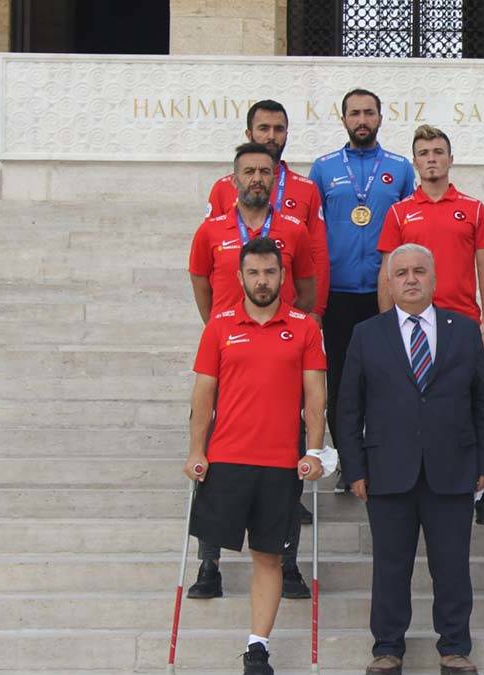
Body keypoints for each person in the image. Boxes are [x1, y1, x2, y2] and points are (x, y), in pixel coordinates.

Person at [336, 243, 484, 675]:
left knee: (452, 566)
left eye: (419, 271)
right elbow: (348, 408)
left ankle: (455, 647)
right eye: (401, 272)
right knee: (391, 567)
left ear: (435, 278)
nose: (411, 279)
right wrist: (354, 468)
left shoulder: (464, 331)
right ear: (388, 282)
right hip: (388, 471)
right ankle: (387, 648)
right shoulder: (367, 334)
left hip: (453, 468)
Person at [183, 236, 328, 675]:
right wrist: (195, 450)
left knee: (269, 556)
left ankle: (257, 647)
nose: (262, 280)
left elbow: (315, 395)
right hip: (226, 458)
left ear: (283, 276)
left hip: (280, 463)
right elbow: (204, 394)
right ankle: (209, 573)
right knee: (215, 542)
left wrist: (315, 450)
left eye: (270, 272)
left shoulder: (305, 327)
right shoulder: (220, 326)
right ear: (240, 276)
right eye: (254, 272)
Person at [186, 142, 317, 600]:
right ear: (234, 178)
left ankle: (289, 562)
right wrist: (217, 330)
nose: (257, 178)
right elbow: (200, 282)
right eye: (249, 171)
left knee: (289, 450)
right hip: (228, 349)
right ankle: (209, 564)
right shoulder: (211, 230)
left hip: (280, 347)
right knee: (213, 457)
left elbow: (306, 286)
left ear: (276, 176)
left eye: (265, 170)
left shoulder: (294, 229)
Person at [375, 123, 484, 527]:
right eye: (424, 153)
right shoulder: (398, 212)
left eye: (438, 151)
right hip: (412, 328)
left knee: (471, 406)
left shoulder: (474, 208)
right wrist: (385, 329)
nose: (431, 158)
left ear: (450, 158)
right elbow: (387, 272)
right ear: (414, 162)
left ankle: (482, 489)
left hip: (462, 327)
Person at [309, 88, 415, 493]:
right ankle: (349, 461)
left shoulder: (400, 168)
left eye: (369, 112)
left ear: (381, 118)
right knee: (338, 380)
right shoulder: (323, 169)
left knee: (385, 378)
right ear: (344, 119)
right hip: (336, 294)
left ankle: (382, 454)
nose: (362, 120)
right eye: (354, 113)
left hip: (382, 294)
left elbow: (408, 233)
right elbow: (313, 234)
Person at [205, 99, 329, 322]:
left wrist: (315, 311)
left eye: (278, 129)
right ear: (248, 133)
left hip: (286, 317)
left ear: (287, 134)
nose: (271, 136)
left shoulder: (307, 189)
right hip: (231, 319)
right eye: (264, 128)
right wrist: (215, 321)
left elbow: (317, 255)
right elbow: (205, 265)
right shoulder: (223, 188)